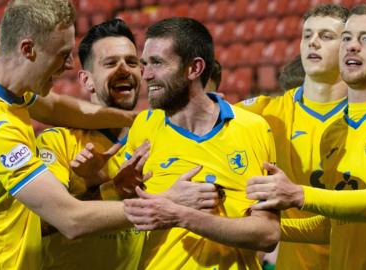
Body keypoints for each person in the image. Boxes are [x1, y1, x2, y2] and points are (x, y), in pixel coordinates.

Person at [0, 1, 164, 269]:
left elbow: (53, 107)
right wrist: (166, 207)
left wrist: (129, 118)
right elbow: (69, 219)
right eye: (62, 54)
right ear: (28, 49)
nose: (71, 65)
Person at [246, 4, 366, 270]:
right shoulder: (334, 133)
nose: (352, 46)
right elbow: (334, 225)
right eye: (347, 38)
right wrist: (251, 226)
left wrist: (298, 194)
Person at [36, 18, 220, 270]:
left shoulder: (155, 134)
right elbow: (42, 224)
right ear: (87, 79)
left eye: (132, 62)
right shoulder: (57, 141)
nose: (125, 70)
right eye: (111, 63)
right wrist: (104, 190)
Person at [120, 17, 280, 270]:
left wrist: (181, 215)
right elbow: (124, 209)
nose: (146, 75)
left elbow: (268, 234)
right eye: (145, 64)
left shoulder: (253, 128)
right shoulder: (143, 126)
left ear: (194, 68)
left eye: (158, 63)